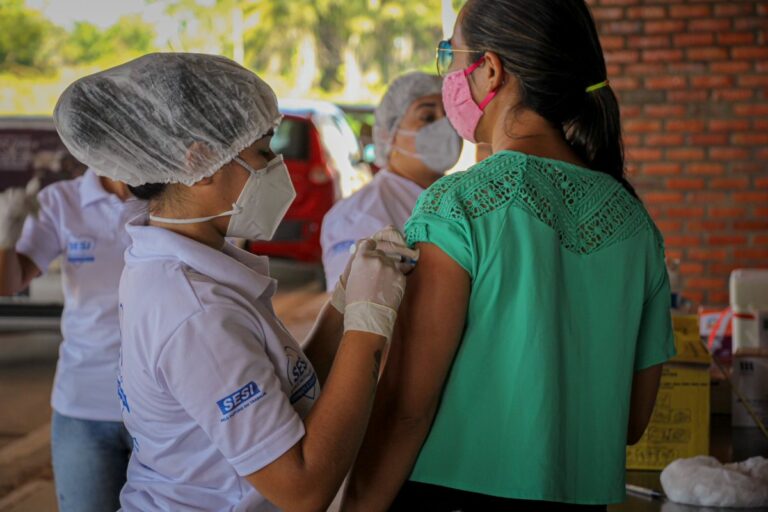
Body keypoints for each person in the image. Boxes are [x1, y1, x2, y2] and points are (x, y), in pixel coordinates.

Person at [344, 1, 675, 510]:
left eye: (450, 57)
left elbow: (406, 411)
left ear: (491, 70)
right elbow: (630, 424)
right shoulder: (637, 226)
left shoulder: (459, 205)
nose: (449, 75)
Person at [53, 52, 413, 512]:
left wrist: (345, 305)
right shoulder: (194, 310)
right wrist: (370, 329)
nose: (276, 166)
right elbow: (302, 488)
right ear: (201, 162)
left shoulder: (190, 264)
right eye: (263, 152)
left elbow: (289, 390)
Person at [0, 171, 145, 512]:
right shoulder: (61, 201)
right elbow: (8, 283)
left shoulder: (169, 195)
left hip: (162, 407)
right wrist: (6, 239)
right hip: (84, 410)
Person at [321, 71, 462, 291]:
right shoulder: (357, 217)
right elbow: (351, 311)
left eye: (449, 116)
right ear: (390, 134)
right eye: (427, 117)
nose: (445, 127)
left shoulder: (460, 199)